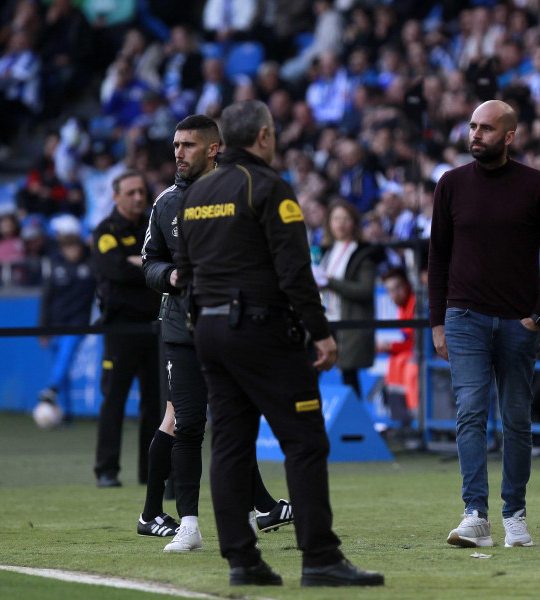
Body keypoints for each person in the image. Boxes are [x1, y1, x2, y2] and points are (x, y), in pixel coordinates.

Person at [174, 100, 382, 587]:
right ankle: (321, 559)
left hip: (207, 329)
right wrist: (322, 333)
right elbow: (295, 271)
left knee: (229, 446)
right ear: (264, 136)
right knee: (305, 440)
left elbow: (185, 272)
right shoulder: (266, 187)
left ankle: (243, 562)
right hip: (261, 330)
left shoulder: (195, 194)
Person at [138, 114, 293, 550]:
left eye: (187, 145)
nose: (178, 153)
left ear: (212, 149)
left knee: (235, 424)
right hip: (180, 331)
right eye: (175, 145)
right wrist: (168, 276)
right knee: (187, 423)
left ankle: (250, 510)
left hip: (232, 327)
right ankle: (188, 523)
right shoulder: (166, 202)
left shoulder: (242, 192)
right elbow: (149, 261)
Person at [428, 100, 540, 548]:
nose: (475, 135)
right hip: (464, 317)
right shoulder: (450, 184)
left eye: (486, 129)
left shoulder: (537, 185)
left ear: (509, 136)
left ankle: (515, 515)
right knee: (470, 413)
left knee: (516, 421)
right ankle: (475, 514)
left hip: (517, 322)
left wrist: (537, 315)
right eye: (472, 126)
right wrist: (437, 322)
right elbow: (437, 259)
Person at [91, 169, 161, 488]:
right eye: (130, 192)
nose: (137, 197)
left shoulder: (154, 224)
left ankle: (151, 471)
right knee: (114, 398)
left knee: (156, 401)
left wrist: (138, 263)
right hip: (120, 328)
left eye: (141, 192)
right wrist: (149, 266)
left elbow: (168, 264)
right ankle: (107, 470)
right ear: (115, 196)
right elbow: (115, 269)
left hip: (156, 326)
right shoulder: (106, 230)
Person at [311, 200, 377, 400]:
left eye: (346, 218)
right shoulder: (326, 251)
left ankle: (356, 426)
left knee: (349, 375)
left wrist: (331, 282)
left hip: (349, 323)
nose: (341, 223)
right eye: (336, 218)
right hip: (327, 320)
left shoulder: (363, 253)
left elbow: (365, 290)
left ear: (355, 223)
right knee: (311, 371)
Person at [36, 215, 97, 420]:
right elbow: (46, 299)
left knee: (65, 357)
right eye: (68, 247)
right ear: (62, 249)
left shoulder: (90, 265)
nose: (73, 251)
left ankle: (51, 389)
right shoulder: (55, 266)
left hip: (77, 324)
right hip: (55, 324)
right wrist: (42, 328)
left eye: (76, 247)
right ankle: (66, 413)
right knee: (62, 369)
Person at [377, 266, 418, 431]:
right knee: (395, 362)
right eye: (389, 290)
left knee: (409, 367)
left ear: (407, 285)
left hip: (428, 354)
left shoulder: (417, 303)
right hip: (411, 352)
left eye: (397, 288)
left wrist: (390, 346)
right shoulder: (402, 307)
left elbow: (420, 342)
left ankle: (417, 420)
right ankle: (402, 420)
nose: (394, 293)